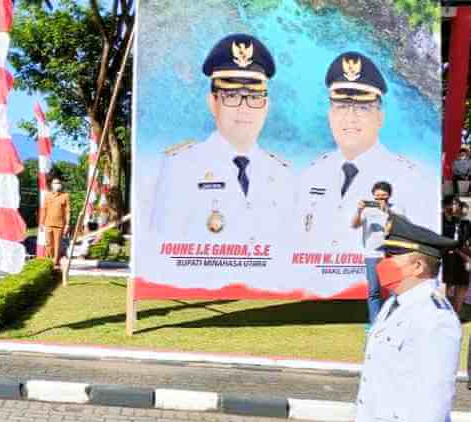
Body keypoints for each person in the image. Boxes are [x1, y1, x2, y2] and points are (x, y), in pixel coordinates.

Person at [144, 33, 293, 289]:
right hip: (200, 287)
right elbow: (161, 245)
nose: (244, 108)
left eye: (254, 97)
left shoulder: (283, 173)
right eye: (231, 96)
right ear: (212, 102)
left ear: (266, 106)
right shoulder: (180, 165)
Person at [353, 214, 461, 422]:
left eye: (392, 255)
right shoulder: (395, 304)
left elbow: (435, 395)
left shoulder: (435, 318)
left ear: (417, 265)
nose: (384, 262)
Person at [296, 52, 434, 255]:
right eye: (341, 106)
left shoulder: (411, 179)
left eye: (362, 108)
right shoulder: (311, 173)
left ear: (379, 117)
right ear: (330, 114)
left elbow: (423, 259)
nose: (350, 117)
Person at [351, 181, 401, 329]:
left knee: (395, 290)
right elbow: (354, 225)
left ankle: (393, 321)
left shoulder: (396, 209)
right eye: (377, 196)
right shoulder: (367, 210)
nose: (380, 199)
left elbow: (401, 224)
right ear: (373, 195)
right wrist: (359, 211)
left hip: (391, 254)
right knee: (374, 291)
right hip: (372, 255)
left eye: (384, 197)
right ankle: (375, 323)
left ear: (389, 196)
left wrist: (387, 211)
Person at [441, 196, 471, 314]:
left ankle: (456, 313)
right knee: (446, 285)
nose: (455, 206)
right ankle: (445, 313)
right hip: (447, 257)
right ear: (445, 206)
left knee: (462, 284)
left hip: (462, 257)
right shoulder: (441, 221)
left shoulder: (465, 223)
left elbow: (465, 241)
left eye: (457, 204)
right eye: (453, 204)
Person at [40, 178, 70, 267]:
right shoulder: (47, 195)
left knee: (57, 244)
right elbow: (44, 210)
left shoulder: (65, 196)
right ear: (51, 185)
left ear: (61, 185)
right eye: (55, 183)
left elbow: (68, 211)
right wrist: (41, 223)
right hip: (48, 223)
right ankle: (49, 259)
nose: (57, 184)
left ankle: (55, 262)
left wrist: (67, 224)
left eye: (58, 183)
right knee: (48, 243)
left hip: (59, 224)